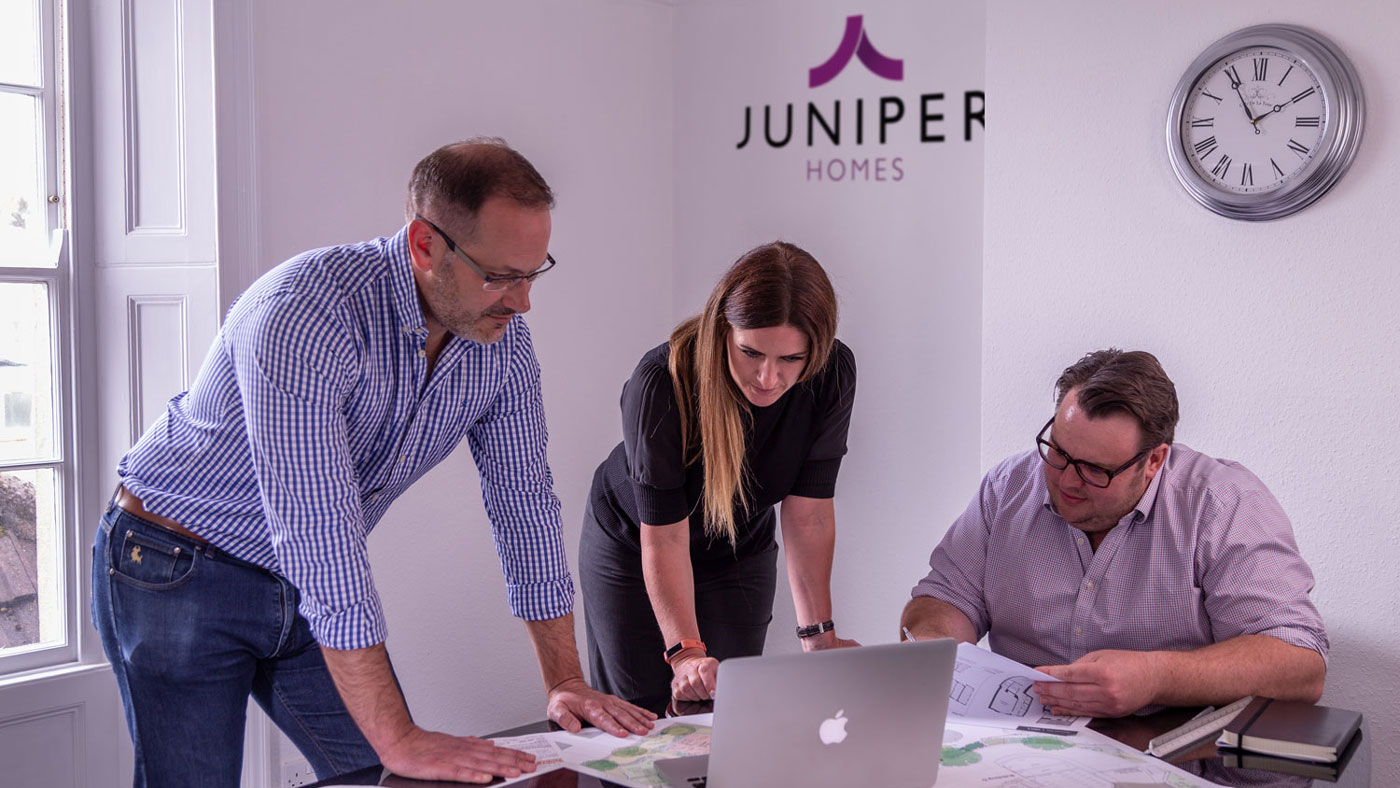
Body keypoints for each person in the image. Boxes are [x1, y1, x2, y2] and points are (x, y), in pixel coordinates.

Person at [91, 138, 655, 788]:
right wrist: (400, 737)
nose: (522, 302)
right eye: (500, 276)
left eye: (534, 273)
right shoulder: (304, 314)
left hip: (301, 588)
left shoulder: (498, 343)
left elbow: (525, 505)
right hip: (173, 565)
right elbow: (319, 532)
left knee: (392, 779)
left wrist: (564, 681)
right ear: (424, 245)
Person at [901, 349, 1328, 718]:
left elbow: (1299, 664)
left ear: (1154, 461)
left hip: (1170, 753)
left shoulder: (1221, 503)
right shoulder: (1008, 487)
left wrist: (1157, 678)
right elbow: (946, 598)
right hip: (1024, 744)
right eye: (1060, 452)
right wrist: (939, 652)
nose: (1067, 480)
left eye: (1095, 470)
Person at [578, 242, 860, 704]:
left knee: (726, 714)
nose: (768, 378)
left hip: (737, 546)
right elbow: (664, 538)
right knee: (639, 725)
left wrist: (819, 639)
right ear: (722, 330)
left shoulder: (832, 373)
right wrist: (686, 653)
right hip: (636, 546)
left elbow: (809, 515)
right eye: (752, 353)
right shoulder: (661, 382)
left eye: (791, 359)